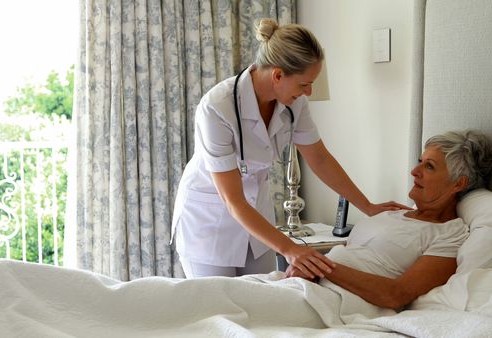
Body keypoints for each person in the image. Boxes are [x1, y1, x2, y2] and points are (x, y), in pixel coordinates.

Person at [170, 18, 408, 278]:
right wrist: (290, 248)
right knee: (218, 311)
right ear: (278, 75)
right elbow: (233, 200)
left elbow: (319, 158)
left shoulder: (294, 103)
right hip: (210, 223)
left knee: (263, 305)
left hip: (256, 219)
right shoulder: (217, 107)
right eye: (304, 84)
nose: (309, 91)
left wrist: (368, 207)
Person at [286, 130, 492, 310]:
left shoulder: (450, 234)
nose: (414, 171)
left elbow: (396, 295)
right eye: (419, 162)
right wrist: (307, 268)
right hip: (308, 285)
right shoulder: (391, 213)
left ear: (459, 183)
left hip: (339, 301)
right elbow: (354, 256)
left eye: (429, 166)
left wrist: (318, 265)